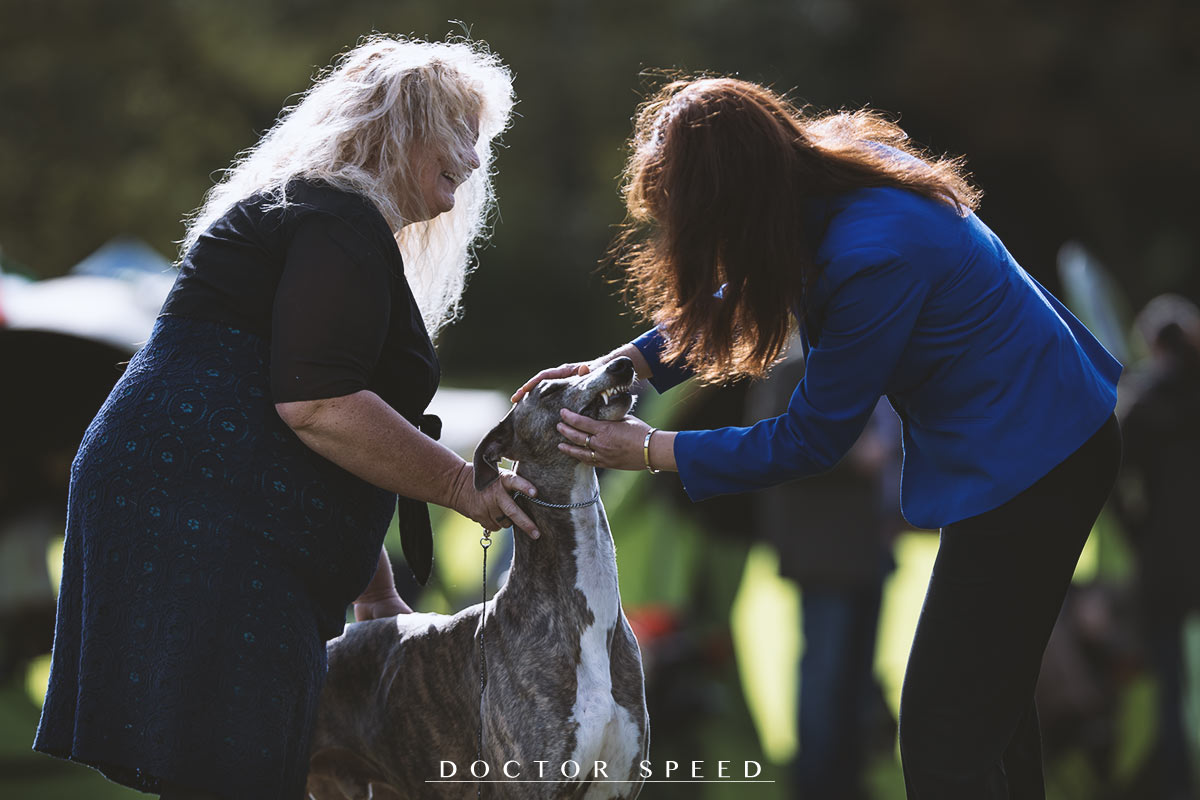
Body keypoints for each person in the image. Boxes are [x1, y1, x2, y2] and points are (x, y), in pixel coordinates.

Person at [514, 77, 1123, 798]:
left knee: (941, 742)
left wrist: (651, 450)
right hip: (1030, 455)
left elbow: (812, 437)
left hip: (1040, 466)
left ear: (737, 196)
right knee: (989, 723)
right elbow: (747, 289)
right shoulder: (818, 179)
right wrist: (628, 364)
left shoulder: (872, 254)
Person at [34, 35, 539, 800]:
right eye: (460, 133)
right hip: (206, 513)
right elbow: (319, 406)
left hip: (210, 511)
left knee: (250, 767)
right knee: (240, 768)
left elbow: (329, 419)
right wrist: (462, 487)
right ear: (401, 126)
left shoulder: (333, 222)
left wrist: (372, 587)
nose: (474, 160)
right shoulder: (337, 221)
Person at [1114, 294, 1200, 800]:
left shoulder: (1142, 407)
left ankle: (1176, 783)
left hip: (1164, 561)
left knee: (1169, 684)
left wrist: (1139, 534)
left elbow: (1115, 481)